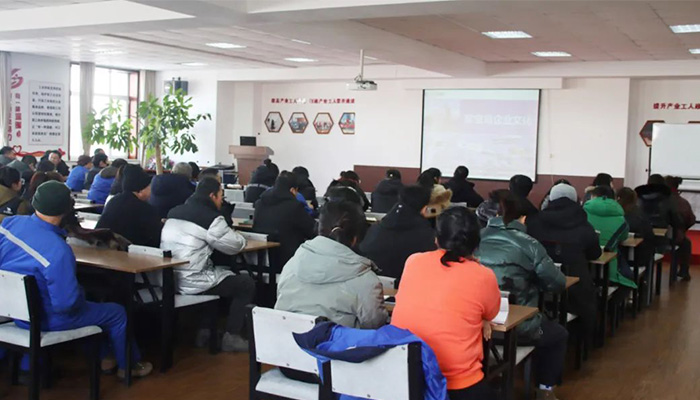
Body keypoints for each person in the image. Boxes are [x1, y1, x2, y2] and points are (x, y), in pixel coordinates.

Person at [0, 181, 152, 379]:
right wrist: (81, 293)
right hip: (45, 318)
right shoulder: (58, 250)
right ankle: (129, 366)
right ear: (66, 210)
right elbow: (66, 305)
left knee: (89, 307)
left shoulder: (10, 224)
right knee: (115, 312)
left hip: (13, 310)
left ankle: (104, 357)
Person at [391, 207, 500, 400]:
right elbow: (491, 313)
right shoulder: (483, 275)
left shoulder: (413, 261)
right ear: (476, 244)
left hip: (407, 376)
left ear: (437, 239)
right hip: (458, 383)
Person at [476, 191, 567, 400]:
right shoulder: (530, 244)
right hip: (520, 328)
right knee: (558, 335)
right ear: (523, 218)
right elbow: (558, 283)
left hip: (476, 324)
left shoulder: (474, 238)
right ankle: (545, 389)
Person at [162, 177, 254, 352]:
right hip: (191, 279)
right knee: (245, 283)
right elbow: (234, 245)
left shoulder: (174, 212)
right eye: (221, 196)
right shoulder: (211, 219)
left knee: (217, 274)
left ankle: (204, 332)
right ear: (212, 196)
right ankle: (232, 336)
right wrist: (239, 235)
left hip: (170, 278)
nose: (221, 201)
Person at [275, 200, 387, 329]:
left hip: (284, 338)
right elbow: (375, 325)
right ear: (356, 238)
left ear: (319, 228)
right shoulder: (366, 281)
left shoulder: (291, 265)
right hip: (338, 342)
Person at [526, 183, 601, 348]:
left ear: (550, 199)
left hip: (539, 288)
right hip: (575, 292)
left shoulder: (535, 222)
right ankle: (583, 343)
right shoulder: (584, 224)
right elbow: (595, 254)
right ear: (575, 199)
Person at [360, 185, 437, 281]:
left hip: (373, 282)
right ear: (425, 209)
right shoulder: (428, 236)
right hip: (409, 284)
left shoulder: (375, 229)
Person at [253, 171, 316, 267]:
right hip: (288, 260)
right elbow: (312, 230)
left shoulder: (259, 203)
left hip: (261, 260)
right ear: (293, 190)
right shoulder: (294, 207)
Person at [96, 165, 160, 247]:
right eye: (149, 187)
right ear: (140, 190)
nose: (151, 190)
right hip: (127, 251)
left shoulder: (114, 201)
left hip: (102, 248)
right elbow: (153, 240)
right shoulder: (146, 209)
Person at [584, 185, 635, 288]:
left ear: (593, 196)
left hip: (584, 269)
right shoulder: (621, 220)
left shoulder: (582, 213)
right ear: (614, 198)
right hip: (609, 271)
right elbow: (623, 237)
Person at [617, 187, 655, 277]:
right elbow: (650, 237)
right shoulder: (640, 215)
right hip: (639, 256)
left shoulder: (616, 215)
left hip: (619, 257)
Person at [665, 176, 696, 281]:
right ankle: (684, 270)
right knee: (686, 243)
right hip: (674, 237)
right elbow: (691, 220)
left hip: (653, 237)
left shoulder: (658, 200)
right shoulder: (682, 202)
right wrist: (682, 230)